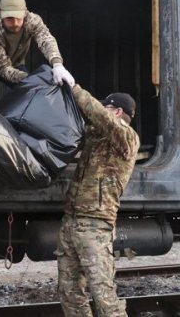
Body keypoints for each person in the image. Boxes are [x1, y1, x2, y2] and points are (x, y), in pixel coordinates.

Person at [56, 88, 140, 317]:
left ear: (118, 111)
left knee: (103, 295)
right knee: (69, 291)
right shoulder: (96, 137)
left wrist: (74, 88)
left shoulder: (127, 138)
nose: (102, 110)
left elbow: (102, 117)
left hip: (95, 224)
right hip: (72, 220)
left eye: (107, 106)